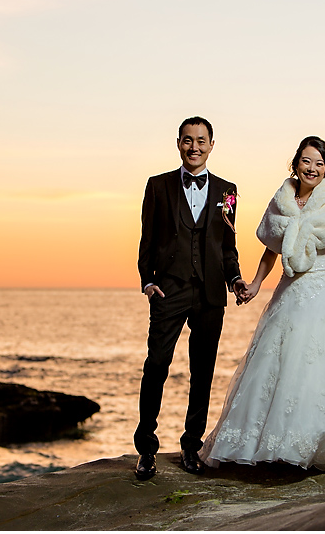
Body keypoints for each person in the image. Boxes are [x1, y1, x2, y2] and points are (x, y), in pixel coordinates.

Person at [199, 136, 325, 471]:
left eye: (320, 164)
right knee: (278, 360)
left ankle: (318, 442)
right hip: (291, 286)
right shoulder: (283, 199)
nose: (313, 168)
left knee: (323, 363)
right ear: (296, 163)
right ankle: (273, 444)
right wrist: (255, 284)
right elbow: (273, 249)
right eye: (307, 161)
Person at [134, 116, 247, 479]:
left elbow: (227, 244)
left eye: (201, 140)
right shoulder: (158, 186)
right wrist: (147, 282)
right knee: (157, 365)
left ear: (212, 145)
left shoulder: (228, 191)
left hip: (211, 293)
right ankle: (146, 449)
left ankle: (191, 446)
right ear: (178, 143)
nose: (194, 146)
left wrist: (235, 278)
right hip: (169, 289)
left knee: (203, 372)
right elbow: (147, 239)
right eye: (188, 140)